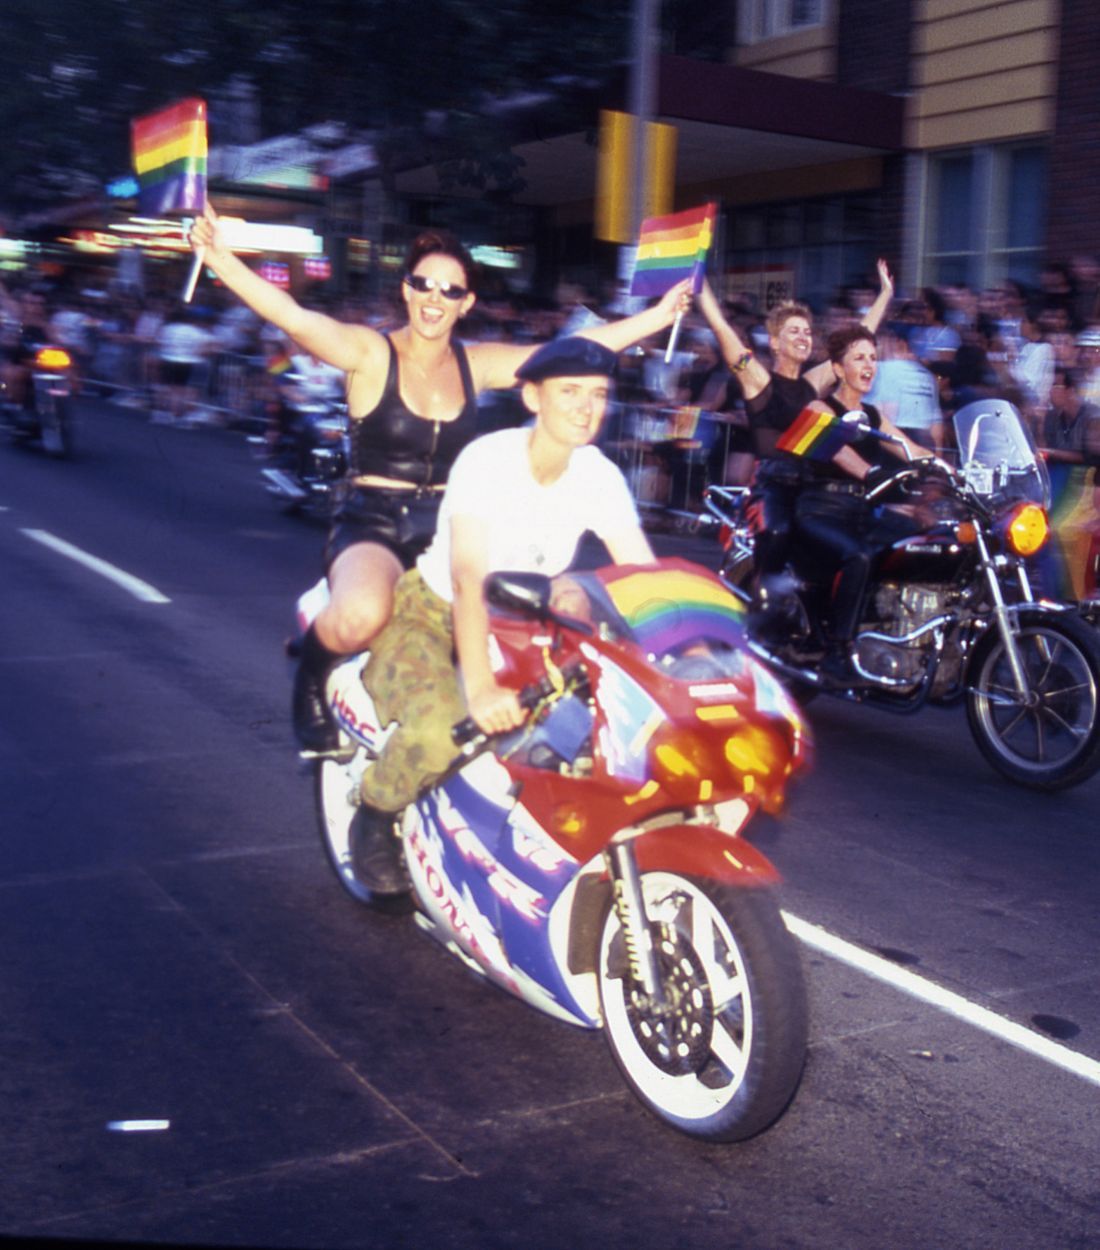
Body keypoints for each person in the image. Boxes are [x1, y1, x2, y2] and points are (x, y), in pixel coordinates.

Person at [188, 203, 688, 750]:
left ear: (466, 302)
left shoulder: (477, 363)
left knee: (537, 630)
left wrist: (659, 316)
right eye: (425, 284)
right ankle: (311, 668)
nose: (435, 298)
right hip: (374, 521)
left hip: (455, 525)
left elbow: (567, 355)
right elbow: (293, 317)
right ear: (407, 289)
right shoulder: (370, 352)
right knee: (360, 616)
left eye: (451, 291)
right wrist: (219, 257)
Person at [351, 337, 656, 895]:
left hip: (528, 624)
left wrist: (693, 652)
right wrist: (482, 687)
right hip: (436, 612)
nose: (586, 408)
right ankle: (375, 809)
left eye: (598, 395)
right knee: (442, 731)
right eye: (570, 392)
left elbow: (644, 577)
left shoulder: (599, 474)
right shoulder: (489, 460)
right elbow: (470, 579)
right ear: (533, 397)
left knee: (592, 740)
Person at [696, 259, 895, 597]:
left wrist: (885, 295)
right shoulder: (759, 380)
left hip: (811, 487)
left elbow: (858, 342)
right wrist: (698, 287)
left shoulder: (810, 385)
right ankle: (761, 601)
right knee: (778, 533)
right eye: (794, 331)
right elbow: (723, 333)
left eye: (807, 331)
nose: (804, 336)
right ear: (774, 342)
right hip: (771, 486)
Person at [793, 325, 933, 679]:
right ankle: (838, 650)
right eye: (859, 358)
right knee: (859, 555)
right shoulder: (819, 407)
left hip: (860, 510)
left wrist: (950, 468)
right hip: (820, 510)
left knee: (922, 540)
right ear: (839, 369)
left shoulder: (873, 415)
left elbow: (909, 448)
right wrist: (871, 472)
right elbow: (840, 453)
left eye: (873, 357)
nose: (869, 365)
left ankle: (895, 627)